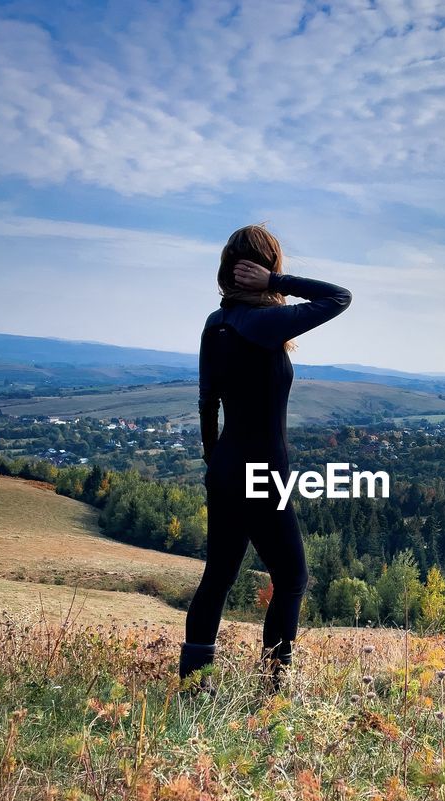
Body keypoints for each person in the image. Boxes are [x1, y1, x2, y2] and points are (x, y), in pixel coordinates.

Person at [180, 224, 353, 692]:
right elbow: (339, 297)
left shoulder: (216, 324)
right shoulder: (263, 324)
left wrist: (216, 463)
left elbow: (206, 402)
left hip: (226, 466)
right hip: (263, 471)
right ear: (264, 268)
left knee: (218, 576)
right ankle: (274, 687)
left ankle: (195, 683)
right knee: (292, 577)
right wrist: (277, 284)